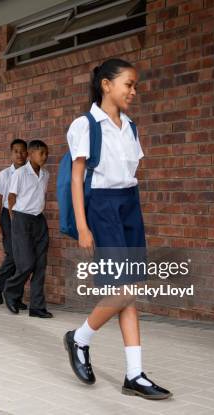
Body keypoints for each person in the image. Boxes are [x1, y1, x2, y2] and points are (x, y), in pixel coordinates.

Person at [62, 58, 171, 399]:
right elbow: (76, 179)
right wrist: (82, 225)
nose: (134, 91)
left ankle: (134, 374)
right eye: (129, 84)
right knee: (125, 288)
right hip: (103, 208)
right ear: (106, 85)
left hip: (129, 206)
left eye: (135, 85)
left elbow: (130, 172)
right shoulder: (84, 125)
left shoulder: (131, 126)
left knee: (131, 289)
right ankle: (80, 338)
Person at [3, 140, 52, 318]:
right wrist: (14, 221)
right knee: (26, 263)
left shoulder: (45, 174)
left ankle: (37, 307)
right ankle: (10, 291)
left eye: (46, 154)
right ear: (31, 154)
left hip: (39, 220)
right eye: (42, 153)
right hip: (21, 219)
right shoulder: (20, 173)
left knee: (40, 265)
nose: (45, 157)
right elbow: (11, 198)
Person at [0, 139, 28, 308]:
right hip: (7, 217)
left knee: (24, 259)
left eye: (22, 151)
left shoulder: (30, 173)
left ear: (27, 153)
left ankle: (15, 296)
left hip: (25, 217)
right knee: (13, 255)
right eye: (16, 151)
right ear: (11, 154)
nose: (19, 154)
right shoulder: (4, 175)